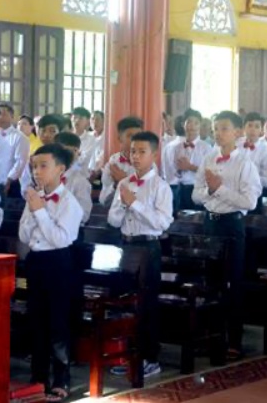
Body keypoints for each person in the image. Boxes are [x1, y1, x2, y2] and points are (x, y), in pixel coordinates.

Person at [192, 111, 260, 359]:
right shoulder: (208, 158)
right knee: (210, 281)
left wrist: (219, 189)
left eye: (223, 128)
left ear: (237, 132)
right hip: (210, 224)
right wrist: (211, 192)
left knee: (232, 282)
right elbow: (195, 195)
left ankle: (234, 340)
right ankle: (211, 336)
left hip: (232, 225)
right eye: (215, 129)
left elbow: (249, 202)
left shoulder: (245, 163)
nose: (218, 133)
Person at [19, 144, 82, 402]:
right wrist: (34, 210)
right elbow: (24, 234)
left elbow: (59, 239)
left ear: (60, 169)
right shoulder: (35, 197)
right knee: (37, 320)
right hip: (36, 261)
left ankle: (61, 379)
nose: (37, 171)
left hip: (58, 263)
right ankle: (38, 377)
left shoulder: (69, 203)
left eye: (43, 166)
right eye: (34, 166)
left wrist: (40, 211)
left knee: (58, 323)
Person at [109, 131, 173, 379]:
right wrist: (124, 205)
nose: (135, 156)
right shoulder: (124, 183)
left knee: (147, 304)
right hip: (126, 246)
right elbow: (114, 220)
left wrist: (134, 204)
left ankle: (150, 358)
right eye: (133, 151)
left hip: (148, 248)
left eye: (142, 152)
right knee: (126, 303)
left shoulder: (161, 187)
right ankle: (128, 354)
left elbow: (161, 223)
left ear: (154, 155)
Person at [162, 109, 212, 214]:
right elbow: (169, 171)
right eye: (189, 122)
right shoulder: (176, 147)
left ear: (200, 125)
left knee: (197, 218)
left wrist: (190, 167)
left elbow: (210, 172)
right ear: (183, 124)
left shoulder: (206, 148)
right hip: (179, 189)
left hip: (197, 188)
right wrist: (178, 171)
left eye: (196, 123)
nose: (192, 126)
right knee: (178, 218)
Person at [100, 117, 144, 205]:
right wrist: (115, 185)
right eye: (130, 136)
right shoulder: (112, 164)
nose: (136, 140)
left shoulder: (149, 165)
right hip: (118, 212)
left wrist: (125, 181)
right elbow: (103, 201)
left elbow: (149, 198)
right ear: (120, 138)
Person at [54, 133, 92, 225]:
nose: (67, 156)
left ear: (77, 153)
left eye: (73, 151)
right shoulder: (49, 177)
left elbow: (84, 215)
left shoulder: (80, 181)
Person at [240, 112, 267, 209]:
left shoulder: (265, 150)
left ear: (261, 130)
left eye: (257, 126)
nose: (253, 129)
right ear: (244, 127)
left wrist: (250, 179)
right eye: (250, 125)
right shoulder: (236, 144)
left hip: (254, 194)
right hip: (233, 193)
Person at [0, 103, 31, 198]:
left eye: (3, 114)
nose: (0, 117)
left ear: (12, 117)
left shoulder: (20, 137)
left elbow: (20, 162)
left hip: (11, 183)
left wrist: (9, 179)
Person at [71, 107, 96, 175]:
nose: (77, 120)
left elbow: (85, 160)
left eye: (81, 118)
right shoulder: (65, 137)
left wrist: (70, 166)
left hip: (83, 174)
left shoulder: (91, 139)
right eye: (75, 117)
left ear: (87, 121)